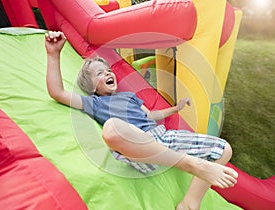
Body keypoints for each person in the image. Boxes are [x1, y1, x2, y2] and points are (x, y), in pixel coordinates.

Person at [45, 31, 238, 210]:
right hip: (138, 149)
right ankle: (192, 164)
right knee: (112, 128)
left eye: (108, 70)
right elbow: (58, 92)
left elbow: (151, 116)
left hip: (162, 138)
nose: (107, 73)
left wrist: (176, 108)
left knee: (224, 149)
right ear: (92, 87)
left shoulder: (130, 96)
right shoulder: (95, 102)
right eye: (99, 74)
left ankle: (189, 203)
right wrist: (53, 55)